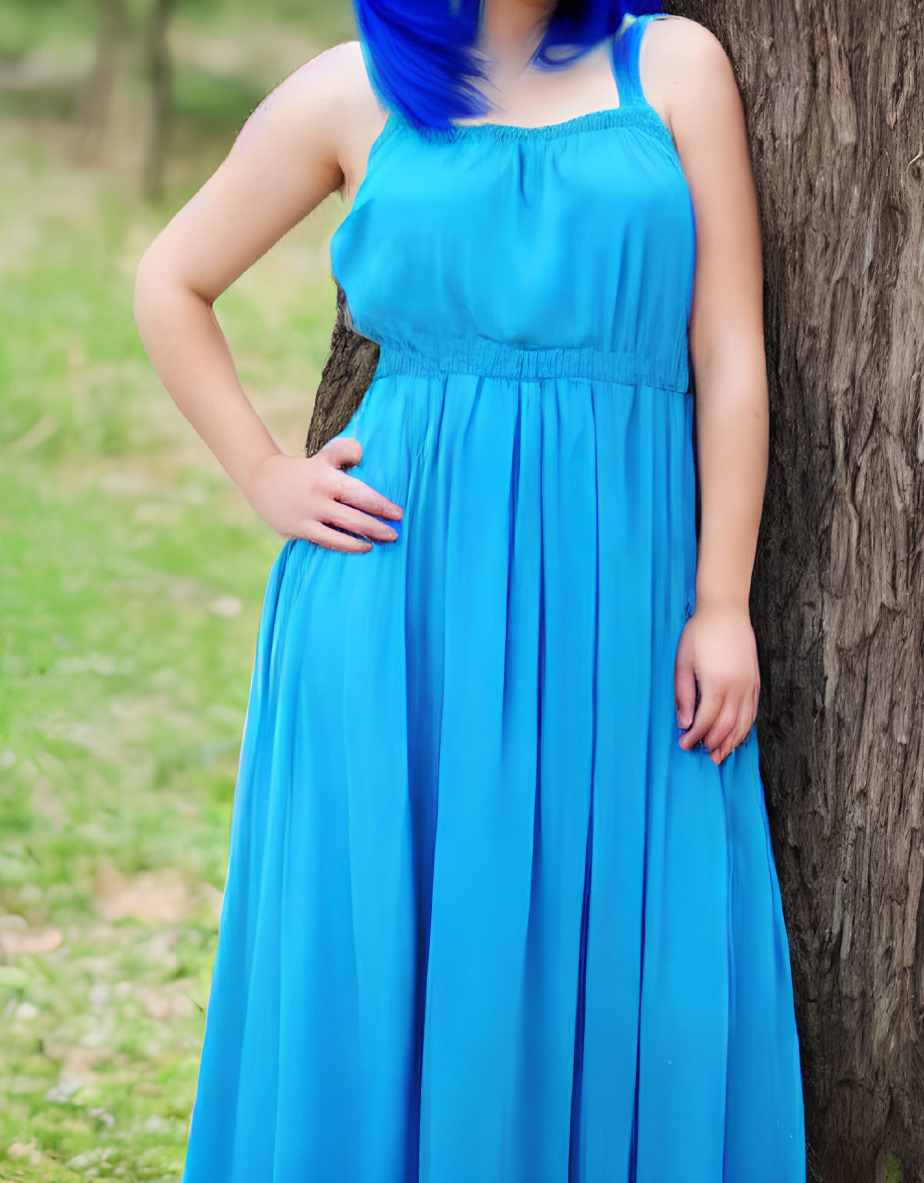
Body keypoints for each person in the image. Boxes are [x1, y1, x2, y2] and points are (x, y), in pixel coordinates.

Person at [132, 2, 805, 1178]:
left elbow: (728, 353)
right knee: (393, 941)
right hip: (398, 600)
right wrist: (263, 475)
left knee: (618, 945)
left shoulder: (673, 65)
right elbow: (171, 279)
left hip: (624, 591)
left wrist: (722, 599)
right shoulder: (348, 91)